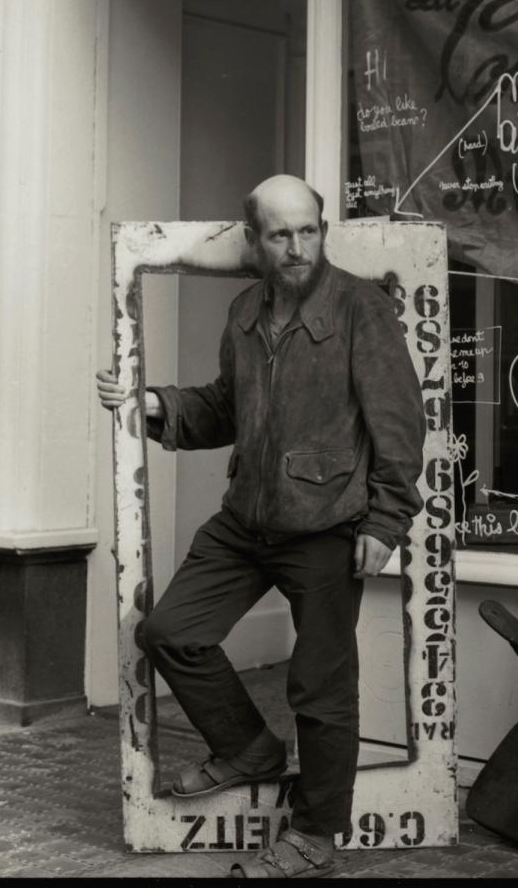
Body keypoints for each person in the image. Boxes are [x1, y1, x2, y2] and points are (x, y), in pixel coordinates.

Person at [96, 174, 424, 879]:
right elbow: (224, 409)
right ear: (255, 241)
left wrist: (386, 521)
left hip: (330, 524)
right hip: (248, 519)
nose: (298, 246)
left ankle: (314, 838)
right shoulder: (245, 313)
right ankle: (248, 748)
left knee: (320, 686)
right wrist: (151, 401)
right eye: (281, 233)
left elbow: (399, 426)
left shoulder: (362, 310)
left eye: (309, 230)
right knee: (169, 631)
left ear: (323, 232)